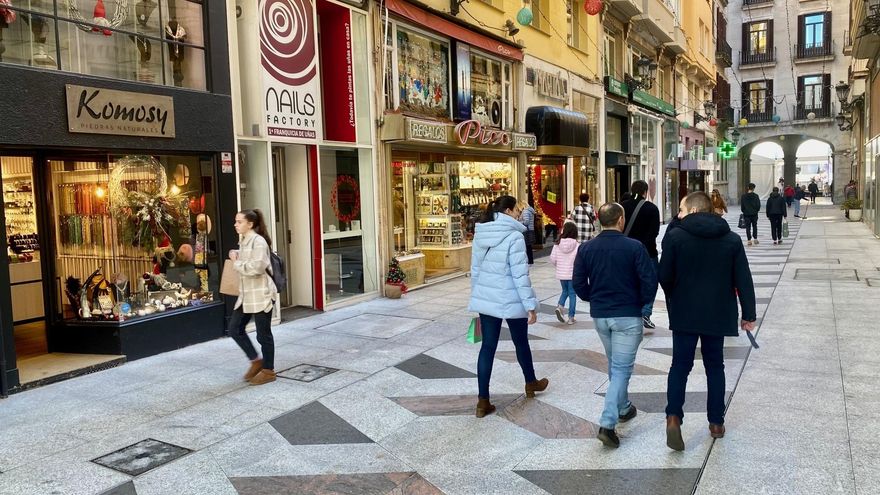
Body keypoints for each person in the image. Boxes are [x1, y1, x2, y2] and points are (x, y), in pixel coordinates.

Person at [659, 192, 756, 451]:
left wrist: (675, 295)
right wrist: (748, 314)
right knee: (715, 367)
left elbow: (664, 275)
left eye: (681, 209)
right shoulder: (732, 240)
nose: (678, 214)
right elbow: (743, 279)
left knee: (680, 366)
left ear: (692, 210)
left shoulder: (675, 237)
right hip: (718, 313)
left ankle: (673, 416)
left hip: (685, 313)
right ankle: (716, 422)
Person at [573, 202, 658, 448]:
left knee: (615, 364)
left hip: (601, 316)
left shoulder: (587, 248)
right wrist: (640, 303)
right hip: (627, 315)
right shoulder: (634, 247)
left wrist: (593, 297)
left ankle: (623, 407)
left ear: (600, 220)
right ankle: (607, 423)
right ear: (620, 220)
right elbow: (649, 280)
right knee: (621, 369)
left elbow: (578, 282)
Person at [468, 195, 548, 418]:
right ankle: (530, 382)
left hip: (487, 299)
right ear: (510, 211)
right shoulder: (514, 236)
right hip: (511, 298)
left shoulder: (481, 233)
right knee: (521, 342)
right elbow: (520, 275)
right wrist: (530, 305)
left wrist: (478, 297)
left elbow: (475, 269)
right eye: (518, 209)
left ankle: (483, 401)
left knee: (487, 348)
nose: (520, 213)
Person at [228, 209, 278, 386]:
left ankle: (268, 370)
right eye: (236, 221)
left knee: (263, 334)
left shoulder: (258, 241)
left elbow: (257, 267)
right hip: (247, 295)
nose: (236, 224)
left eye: (239, 221)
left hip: (261, 294)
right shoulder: (243, 241)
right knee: (234, 329)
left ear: (250, 224)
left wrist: (236, 262)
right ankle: (256, 360)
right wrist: (237, 254)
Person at [621, 180, 660, 330]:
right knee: (651, 282)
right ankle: (645, 312)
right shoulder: (652, 209)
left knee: (628, 281)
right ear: (645, 192)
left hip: (625, 252)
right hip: (647, 252)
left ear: (632, 191)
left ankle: (628, 310)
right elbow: (654, 233)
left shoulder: (622, 207)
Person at [551, 222, 580, 325]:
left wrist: (559, 266)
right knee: (572, 294)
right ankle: (571, 317)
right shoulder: (577, 245)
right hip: (572, 274)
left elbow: (553, 259)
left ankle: (560, 307)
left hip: (561, 274)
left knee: (564, 291)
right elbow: (579, 261)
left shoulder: (557, 244)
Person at [518, 200, 537, 265]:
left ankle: (529, 261)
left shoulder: (525, 211)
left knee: (526, 246)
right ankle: (530, 260)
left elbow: (526, 222)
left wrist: (518, 222)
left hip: (527, 231)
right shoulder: (530, 211)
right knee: (528, 246)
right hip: (530, 230)